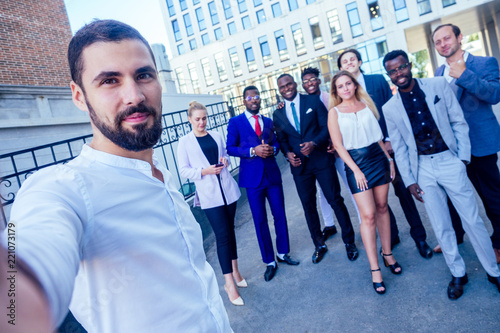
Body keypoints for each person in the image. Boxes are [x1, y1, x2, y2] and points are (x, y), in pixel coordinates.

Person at [0, 20, 232, 332]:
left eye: (144, 75)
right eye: (110, 80)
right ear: (79, 97)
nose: (134, 95)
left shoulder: (159, 170)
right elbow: (29, 261)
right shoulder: (63, 188)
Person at [382, 49, 500, 300]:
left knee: (472, 219)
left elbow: (458, 121)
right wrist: (411, 181)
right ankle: (458, 273)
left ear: (409, 64)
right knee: (441, 224)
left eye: (401, 67)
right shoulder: (389, 108)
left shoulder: (437, 85)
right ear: (388, 75)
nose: (398, 73)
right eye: (392, 71)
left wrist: (462, 159)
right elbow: (399, 148)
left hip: (450, 160)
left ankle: (493, 270)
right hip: (422, 168)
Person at [337, 49, 433, 259]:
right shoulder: (343, 95)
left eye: (353, 58)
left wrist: (389, 139)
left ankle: (420, 237)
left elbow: (391, 108)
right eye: (345, 61)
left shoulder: (377, 80)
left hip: (389, 147)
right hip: (364, 159)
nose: (350, 62)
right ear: (341, 69)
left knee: (403, 191)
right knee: (379, 202)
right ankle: (393, 235)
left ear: (360, 61)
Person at [327, 70, 400, 294]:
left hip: (378, 159)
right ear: (336, 91)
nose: (346, 88)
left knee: (382, 207)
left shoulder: (367, 104)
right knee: (368, 215)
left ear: (354, 85)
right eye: (340, 86)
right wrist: (356, 171)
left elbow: (377, 138)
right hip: (356, 163)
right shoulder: (334, 112)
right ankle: (374, 268)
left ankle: (387, 254)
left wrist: (389, 160)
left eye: (348, 83)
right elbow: (339, 147)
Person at [273, 74, 358, 264]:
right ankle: (319, 245)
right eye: (282, 87)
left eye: (289, 84)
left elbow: (327, 126)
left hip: (321, 160)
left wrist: (314, 143)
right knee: (308, 206)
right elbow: (282, 139)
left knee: (335, 200)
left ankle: (349, 242)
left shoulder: (312, 100)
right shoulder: (277, 113)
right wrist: (288, 154)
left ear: (295, 85)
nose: (286, 89)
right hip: (300, 167)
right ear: (279, 90)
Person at [432, 23, 500, 263]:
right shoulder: (438, 73)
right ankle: (455, 237)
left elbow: (494, 94)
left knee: (491, 196)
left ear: (459, 37)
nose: (443, 44)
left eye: (447, 38)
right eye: (438, 42)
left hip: (480, 144)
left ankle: (499, 242)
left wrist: (464, 75)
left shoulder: (484, 63)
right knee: (452, 195)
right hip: (451, 149)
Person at [226, 86, 299, 282]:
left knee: (280, 215)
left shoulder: (267, 121)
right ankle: (269, 261)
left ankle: (283, 253)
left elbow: (275, 143)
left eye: (256, 97)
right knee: (260, 220)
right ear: (244, 101)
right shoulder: (235, 122)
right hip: (252, 180)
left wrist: (273, 150)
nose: (254, 100)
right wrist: (252, 151)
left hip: (272, 176)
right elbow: (230, 148)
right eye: (250, 97)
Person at [177, 101, 245, 305]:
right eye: (197, 119)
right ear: (189, 119)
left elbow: (226, 158)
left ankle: (236, 271)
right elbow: (184, 170)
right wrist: (204, 171)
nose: (201, 122)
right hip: (209, 196)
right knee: (223, 237)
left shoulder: (216, 135)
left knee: (231, 231)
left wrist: (225, 161)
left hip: (228, 191)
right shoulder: (185, 142)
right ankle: (229, 283)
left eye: (204, 118)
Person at [301, 67, 361, 241]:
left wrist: (335, 144)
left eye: (312, 79)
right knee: (323, 192)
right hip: (320, 155)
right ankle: (329, 225)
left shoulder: (330, 98)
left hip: (338, 151)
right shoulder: (304, 102)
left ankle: (362, 220)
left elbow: (342, 122)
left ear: (319, 81)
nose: (309, 83)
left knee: (350, 186)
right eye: (305, 81)